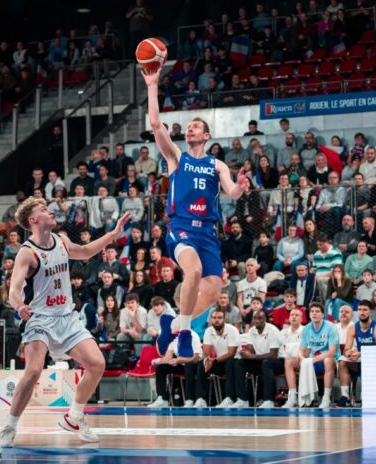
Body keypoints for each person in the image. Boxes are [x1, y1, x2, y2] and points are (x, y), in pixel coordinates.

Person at [0, 198, 129, 446]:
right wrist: (19, 305)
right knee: (33, 371)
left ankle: (74, 416)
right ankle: (10, 427)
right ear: (33, 220)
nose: (50, 212)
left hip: (66, 317)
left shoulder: (62, 240)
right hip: (40, 318)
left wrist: (113, 234)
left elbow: (86, 251)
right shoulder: (27, 252)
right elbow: (13, 289)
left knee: (97, 363)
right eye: (44, 210)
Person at [143, 66, 246, 359]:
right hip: (182, 227)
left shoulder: (217, 164)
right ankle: (185, 332)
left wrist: (240, 187)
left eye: (196, 126)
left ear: (207, 135)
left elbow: (231, 192)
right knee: (195, 271)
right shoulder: (177, 157)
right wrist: (152, 85)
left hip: (208, 233)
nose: (190, 129)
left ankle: (172, 324)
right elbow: (156, 124)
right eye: (188, 126)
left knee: (214, 291)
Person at [232, 309, 281, 408]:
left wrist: (254, 356)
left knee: (267, 363)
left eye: (260, 318)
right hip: (261, 361)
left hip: (277, 362)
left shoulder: (273, 330)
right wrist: (245, 353)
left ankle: (269, 400)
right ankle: (243, 399)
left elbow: (274, 354)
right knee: (239, 363)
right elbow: (251, 351)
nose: (257, 321)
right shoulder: (251, 330)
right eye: (255, 318)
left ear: (265, 319)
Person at [260, 307, 304, 409]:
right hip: (284, 359)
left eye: (297, 315)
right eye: (292, 315)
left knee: (289, 361)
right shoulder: (283, 332)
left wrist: (291, 351)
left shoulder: (305, 331)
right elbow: (280, 350)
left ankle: (293, 397)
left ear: (301, 319)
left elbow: (304, 350)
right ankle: (269, 400)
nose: (294, 317)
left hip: (300, 360)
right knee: (267, 363)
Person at [194, 308, 238, 408]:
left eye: (219, 318)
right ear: (211, 320)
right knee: (202, 364)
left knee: (229, 362)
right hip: (218, 361)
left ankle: (229, 398)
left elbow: (231, 353)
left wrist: (214, 360)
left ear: (224, 319)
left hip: (233, 362)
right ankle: (201, 399)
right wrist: (207, 361)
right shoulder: (209, 331)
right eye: (214, 318)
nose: (217, 320)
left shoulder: (232, 330)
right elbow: (206, 352)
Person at [148, 329, 201, 408]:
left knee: (188, 367)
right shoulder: (172, 337)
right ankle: (163, 399)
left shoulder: (193, 335)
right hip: (181, 363)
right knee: (161, 368)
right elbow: (167, 358)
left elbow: (195, 358)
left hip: (195, 364)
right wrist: (158, 361)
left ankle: (189, 400)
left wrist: (179, 360)